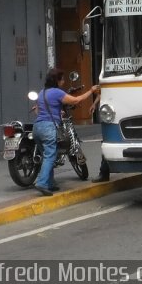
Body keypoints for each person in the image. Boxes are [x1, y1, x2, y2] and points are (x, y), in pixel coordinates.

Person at [33, 68, 99, 196]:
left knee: (47, 156)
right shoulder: (57, 92)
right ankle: (41, 183)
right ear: (57, 81)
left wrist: (57, 111)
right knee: (50, 155)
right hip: (48, 127)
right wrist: (90, 91)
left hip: (37, 128)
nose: (63, 81)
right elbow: (75, 100)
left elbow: (37, 111)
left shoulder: (42, 92)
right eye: (62, 79)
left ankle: (50, 183)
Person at [89, 91, 110, 183]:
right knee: (106, 142)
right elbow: (101, 93)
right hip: (109, 113)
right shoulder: (108, 78)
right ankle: (104, 172)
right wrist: (94, 104)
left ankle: (104, 173)